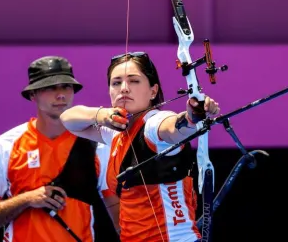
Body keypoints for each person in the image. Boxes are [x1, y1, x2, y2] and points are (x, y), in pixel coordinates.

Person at [59, 52, 221, 242]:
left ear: (153, 91)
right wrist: (102, 115)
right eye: (116, 82)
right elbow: (68, 119)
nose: (124, 89)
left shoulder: (153, 124)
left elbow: (172, 128)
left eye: (134, 81)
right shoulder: (116, 132)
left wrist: (191, 117)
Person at [0, 56, 119, 242]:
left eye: (66, 86)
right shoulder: (5, 145)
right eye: (50, 87)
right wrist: (27, 199)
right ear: (33, 95)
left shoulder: (96, 144)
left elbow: (115, 209)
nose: (61, 94)